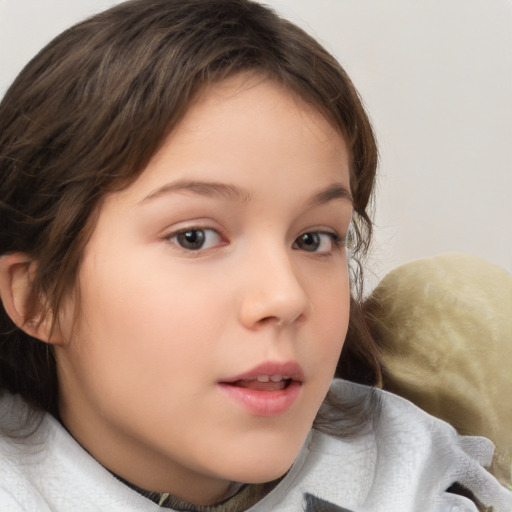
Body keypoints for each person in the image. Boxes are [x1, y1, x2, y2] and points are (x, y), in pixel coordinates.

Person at [0, 1, 510, 511]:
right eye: (195, 237)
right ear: (40, 298)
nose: (285, 297)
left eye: (314, 239)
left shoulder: (414, 474)